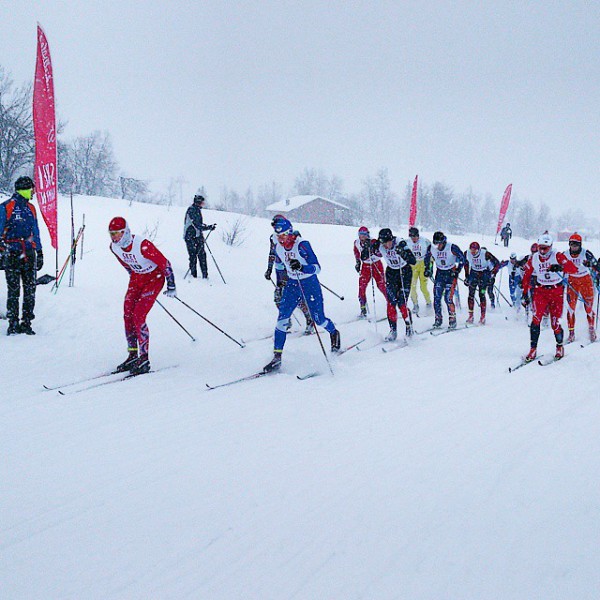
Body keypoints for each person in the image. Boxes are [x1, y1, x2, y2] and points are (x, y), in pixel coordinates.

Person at [262, 218, 340, 373]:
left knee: (318, 318)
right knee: (282, 318)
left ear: (289, 233)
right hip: (292, 284)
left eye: (283, 236)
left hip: (309, 284)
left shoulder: (302, 245)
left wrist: (302, 267)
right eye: (278, 236)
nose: (280, 239)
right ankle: (277, 357)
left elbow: (317, 268)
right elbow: (279, 265)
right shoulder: (278, 246)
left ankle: (334, 332)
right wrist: (280, 282)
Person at [109, 217, 177, 375]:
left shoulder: (142, 245)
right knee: (127, 315)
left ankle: (144, 358)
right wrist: (134, 276)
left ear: (125, 232)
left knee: (138, 316)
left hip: (154, 279)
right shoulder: (114, 247)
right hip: (137, 278)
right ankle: (132, 355)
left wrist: (171, 285)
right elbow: (126, 265)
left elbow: (165, 263)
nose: (114, 237)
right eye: (112, 234)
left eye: (118, 233)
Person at [521, 233, 577, 361]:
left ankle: (559, 346)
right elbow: (526, 276)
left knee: (555, 323)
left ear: (550, 247)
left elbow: (572, 269)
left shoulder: (557, 256)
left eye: (545, 248)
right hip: (540, 291)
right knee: (536, 319)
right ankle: (533, 349)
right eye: (540, 247)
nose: (542, 251)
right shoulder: (534, 258)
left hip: (556, 291)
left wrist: (560, 266)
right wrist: (525, 293)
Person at [0, 176, 43, 335]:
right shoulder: (6, 207)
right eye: (31, 188)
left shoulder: (31, 208)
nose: (33, 191)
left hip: (29, 253)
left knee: (30, 289)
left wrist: (39, 251)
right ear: (24, 189)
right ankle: (13, 323)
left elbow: (36, 231)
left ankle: (27, 322)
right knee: (14, 290)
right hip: (11, 252)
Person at [265, 215, 313, 334]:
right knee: (278, 297)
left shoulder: (293, 235)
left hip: (289, 269)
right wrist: (269, 269)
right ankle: (286, 321)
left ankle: (309, 319)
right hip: (279, 270)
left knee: (294, 297)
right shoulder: (273, 237)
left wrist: (301, 267)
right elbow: (272, 253)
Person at [371, 228, 416, 341]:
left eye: (387, 243)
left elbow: (413, 260)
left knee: (401, 302)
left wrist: (403, 253)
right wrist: (370, 247)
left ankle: (409, 326)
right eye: (383, 244)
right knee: (391, 302)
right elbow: (365, 256)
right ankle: (393, 330)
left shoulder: (400, 242)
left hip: (404, 272)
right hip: (391, 272)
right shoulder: (380, 245)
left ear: (391, 240)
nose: (385, 246)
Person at [353, 226, 395, 323]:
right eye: (360, 235)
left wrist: (372, 251)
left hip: (376, 265)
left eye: (364, 235)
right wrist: (358, 263)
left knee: (382, 286)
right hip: (365, 266)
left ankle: (391, 305)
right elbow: (356, 253)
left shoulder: (373, 242)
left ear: (367, 235)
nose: (362, 237)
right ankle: (363, 309)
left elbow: (380, 253)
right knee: (361, 287)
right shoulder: (356, 243)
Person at [424, 231, 465, 329]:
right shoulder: (431, 248)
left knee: (448, 298)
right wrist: (428, 269)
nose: (437, 246)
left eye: (439, 244)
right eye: (436, 243)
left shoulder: (452, 247)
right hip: (440, 273)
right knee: (437, 297)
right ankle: (438, 319)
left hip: (450, 273)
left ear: (443, 242)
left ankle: (452, 319)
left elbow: (463, 259)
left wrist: (458, 270)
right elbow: (427, 259)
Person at [564, 233, 598, 343]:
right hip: (572, 281)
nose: (574, 247)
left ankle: (591, 329)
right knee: (570, 308)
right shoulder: (565, 254)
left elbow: (596, 265)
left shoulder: (586, 253)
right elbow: (558, 266)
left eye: (576, 245)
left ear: (580, 245)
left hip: (585, 280)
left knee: (588, 307)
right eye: (572, 244)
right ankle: (571, 333)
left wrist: (591, 265)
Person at [463, 242, 499, 325]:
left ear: (478, 250)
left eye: (475, 251)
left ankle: (483, 317)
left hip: (484, 274)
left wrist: (493, 274)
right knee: (471, 294)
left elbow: (497, 263)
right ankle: (470, 316)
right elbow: (466, 264)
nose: (473, 252)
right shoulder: (467, 253)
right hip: (474, 273)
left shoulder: (485, 254)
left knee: (481, 294)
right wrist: (467, 276)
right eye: (471, 250)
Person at [183, 195, 216, 278]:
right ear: (198, 202)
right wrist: (208, 227)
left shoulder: (197, 210)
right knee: (193, 256)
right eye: (202, 202)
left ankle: (205, 275)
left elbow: (199, 224)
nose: (203, 204)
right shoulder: (191, 210)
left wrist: (208, 226)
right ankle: (193, 275)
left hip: (197, 236)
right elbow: (196, 224)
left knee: (202, 255)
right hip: (190, 236)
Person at [407, 227, 432, 316]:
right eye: (412, 237)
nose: (414, 239)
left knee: (423, 287)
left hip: (423, 264)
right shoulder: (407, 242)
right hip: (413, 265)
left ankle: (428, 303)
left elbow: (431, 255)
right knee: (412, 286)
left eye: (415, 236)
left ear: (418, 236)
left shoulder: (425, 241)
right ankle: (415, 304)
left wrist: (429, 268)